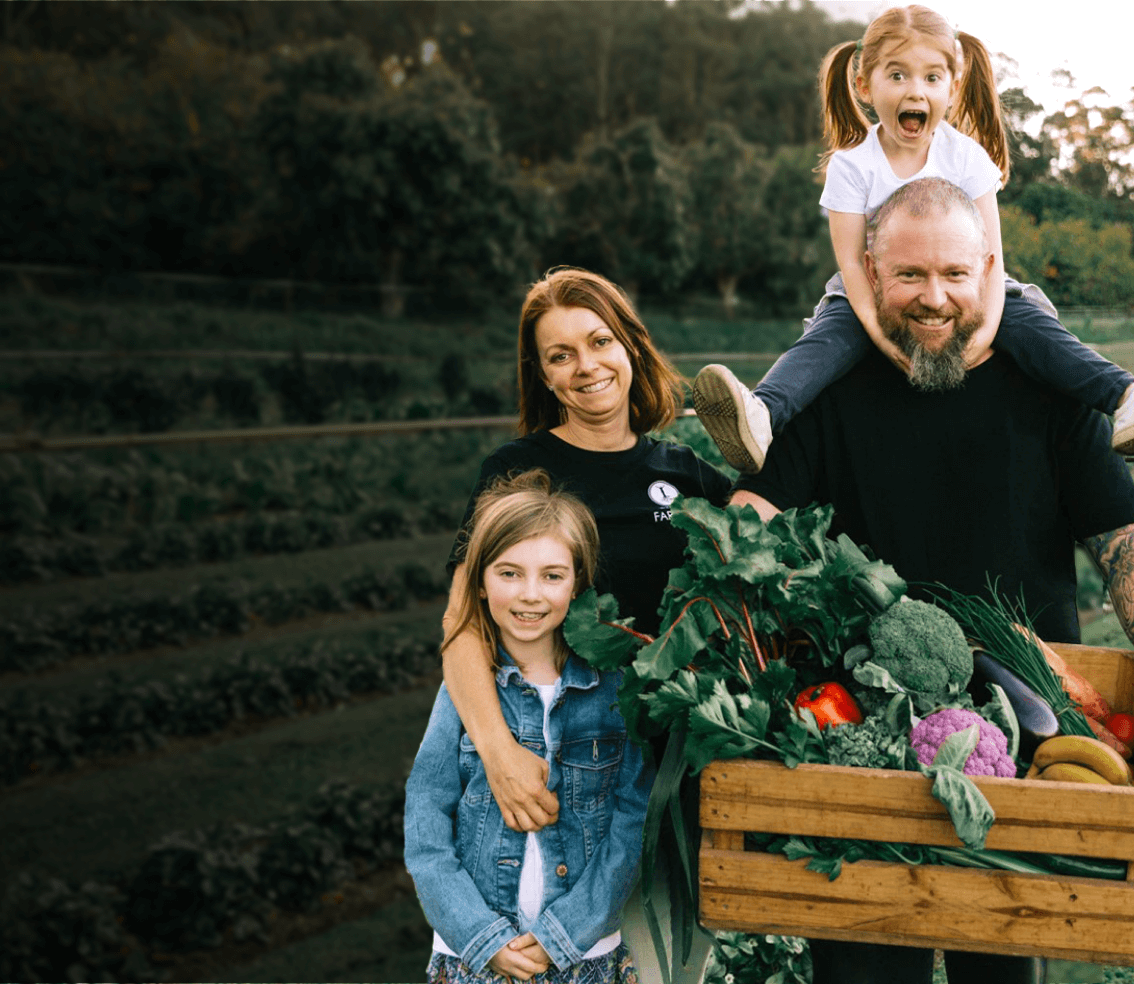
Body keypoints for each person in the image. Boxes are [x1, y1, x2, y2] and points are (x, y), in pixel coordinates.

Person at [729, 176, 1134, 984]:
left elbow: (1121, 538)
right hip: (858, 746)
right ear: (869, 274)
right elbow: (750, 527)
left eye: (954, 273)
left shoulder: (1052, 391)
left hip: (1026, 748)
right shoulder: (826, 393)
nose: (934, 298)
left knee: (1001, 971)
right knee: (864, 971)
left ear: (990, 270)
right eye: (909, 275)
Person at [440, 267, 732, 982]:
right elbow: (461, 624)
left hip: (669, 773)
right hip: (556, 764)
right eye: (560, 354)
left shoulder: (687, 475)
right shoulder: (521, 470)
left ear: (630, 345)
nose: (586, 366)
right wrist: (500, 755)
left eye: (599, 341)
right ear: (542, 374)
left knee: (669, 962)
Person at [692, 4, 1134, 474]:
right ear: (865, 86)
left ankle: (1123, 395)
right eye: (897, 75)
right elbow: (852, 264)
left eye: (931, 77)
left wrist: (984, 333)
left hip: (966, 284)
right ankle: (763, 413)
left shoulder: (967, 157)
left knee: (1030, 325)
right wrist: (883, 340)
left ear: (953, 87)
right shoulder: (851, 165)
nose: (915, 90)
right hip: (875, 286)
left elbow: (992, 259)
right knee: (830, 336)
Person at [405, 469, 648, 984]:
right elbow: (426, 822)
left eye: (552, 576)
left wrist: (567, 932)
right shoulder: (464, 691)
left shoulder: (615, 690)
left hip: (585, 957)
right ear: (479, 581)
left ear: (578, 583)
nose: (530, 594)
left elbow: (633, 821)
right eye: (509, 573)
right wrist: (479, 936)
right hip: (474, 958)